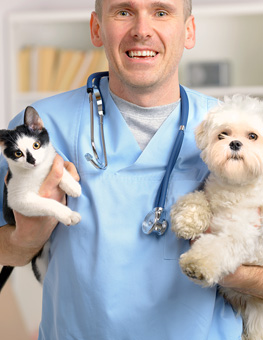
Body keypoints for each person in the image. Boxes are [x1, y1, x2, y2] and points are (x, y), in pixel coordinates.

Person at [0, 0, 263, 339]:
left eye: (162, 12)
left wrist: (233, 270)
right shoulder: (41, 130)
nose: (141, 29)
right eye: (123, 11)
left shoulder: (237, 133)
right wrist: (26, 238)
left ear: (189, 30)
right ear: (97, 28)